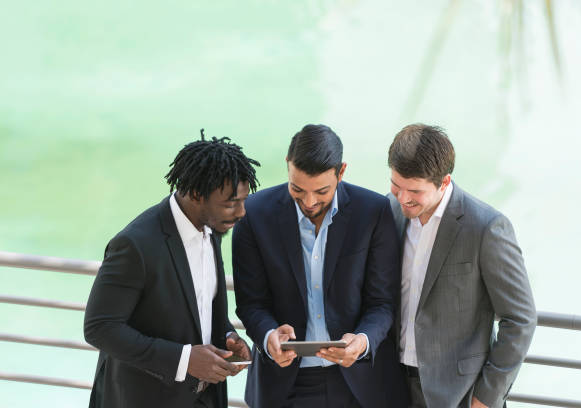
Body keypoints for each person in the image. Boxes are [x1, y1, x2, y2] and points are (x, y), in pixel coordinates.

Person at [232, 124, 403, 408]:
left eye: (321, 191)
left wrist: (362, 341)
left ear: (342, 171)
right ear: (288, 165)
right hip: (283, 386)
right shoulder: (253, 215)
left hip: (361, 386)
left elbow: (382, 302)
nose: (309, 202)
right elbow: (251, 303)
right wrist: (269, 335)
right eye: (297, 189)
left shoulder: (373, 211)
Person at [84, 131, 259, 408]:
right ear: (197, 194)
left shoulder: (210, 229)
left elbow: (200, 304)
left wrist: (226, 336)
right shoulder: (135, 245)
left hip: (205, 398)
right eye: (230, 203)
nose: (241, 213)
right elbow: (100, 328)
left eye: (243, 200)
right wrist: (184, 360)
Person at [386, 124, 537, 408]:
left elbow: (520, 319)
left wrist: (485, 399)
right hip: (393, 386)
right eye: (396, 185)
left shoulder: (486, 228)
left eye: (414, 191)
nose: (403, 198)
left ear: (443, 182)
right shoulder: (390, 211)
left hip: (459, 395)